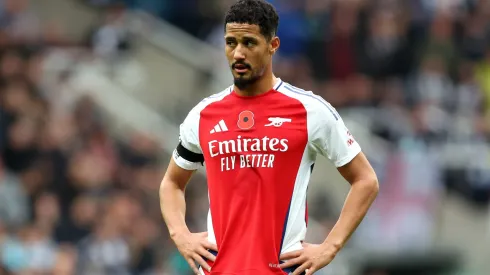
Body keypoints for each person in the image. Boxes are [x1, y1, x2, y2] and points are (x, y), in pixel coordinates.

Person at [159, 1, 379, 274]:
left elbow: (366, 180)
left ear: (273, 45)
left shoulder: (309, 110)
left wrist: (329, 247)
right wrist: (180, 234)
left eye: (249, 43)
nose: (238, 53)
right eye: (231, 42)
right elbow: (172, 182)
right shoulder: (204, 114)